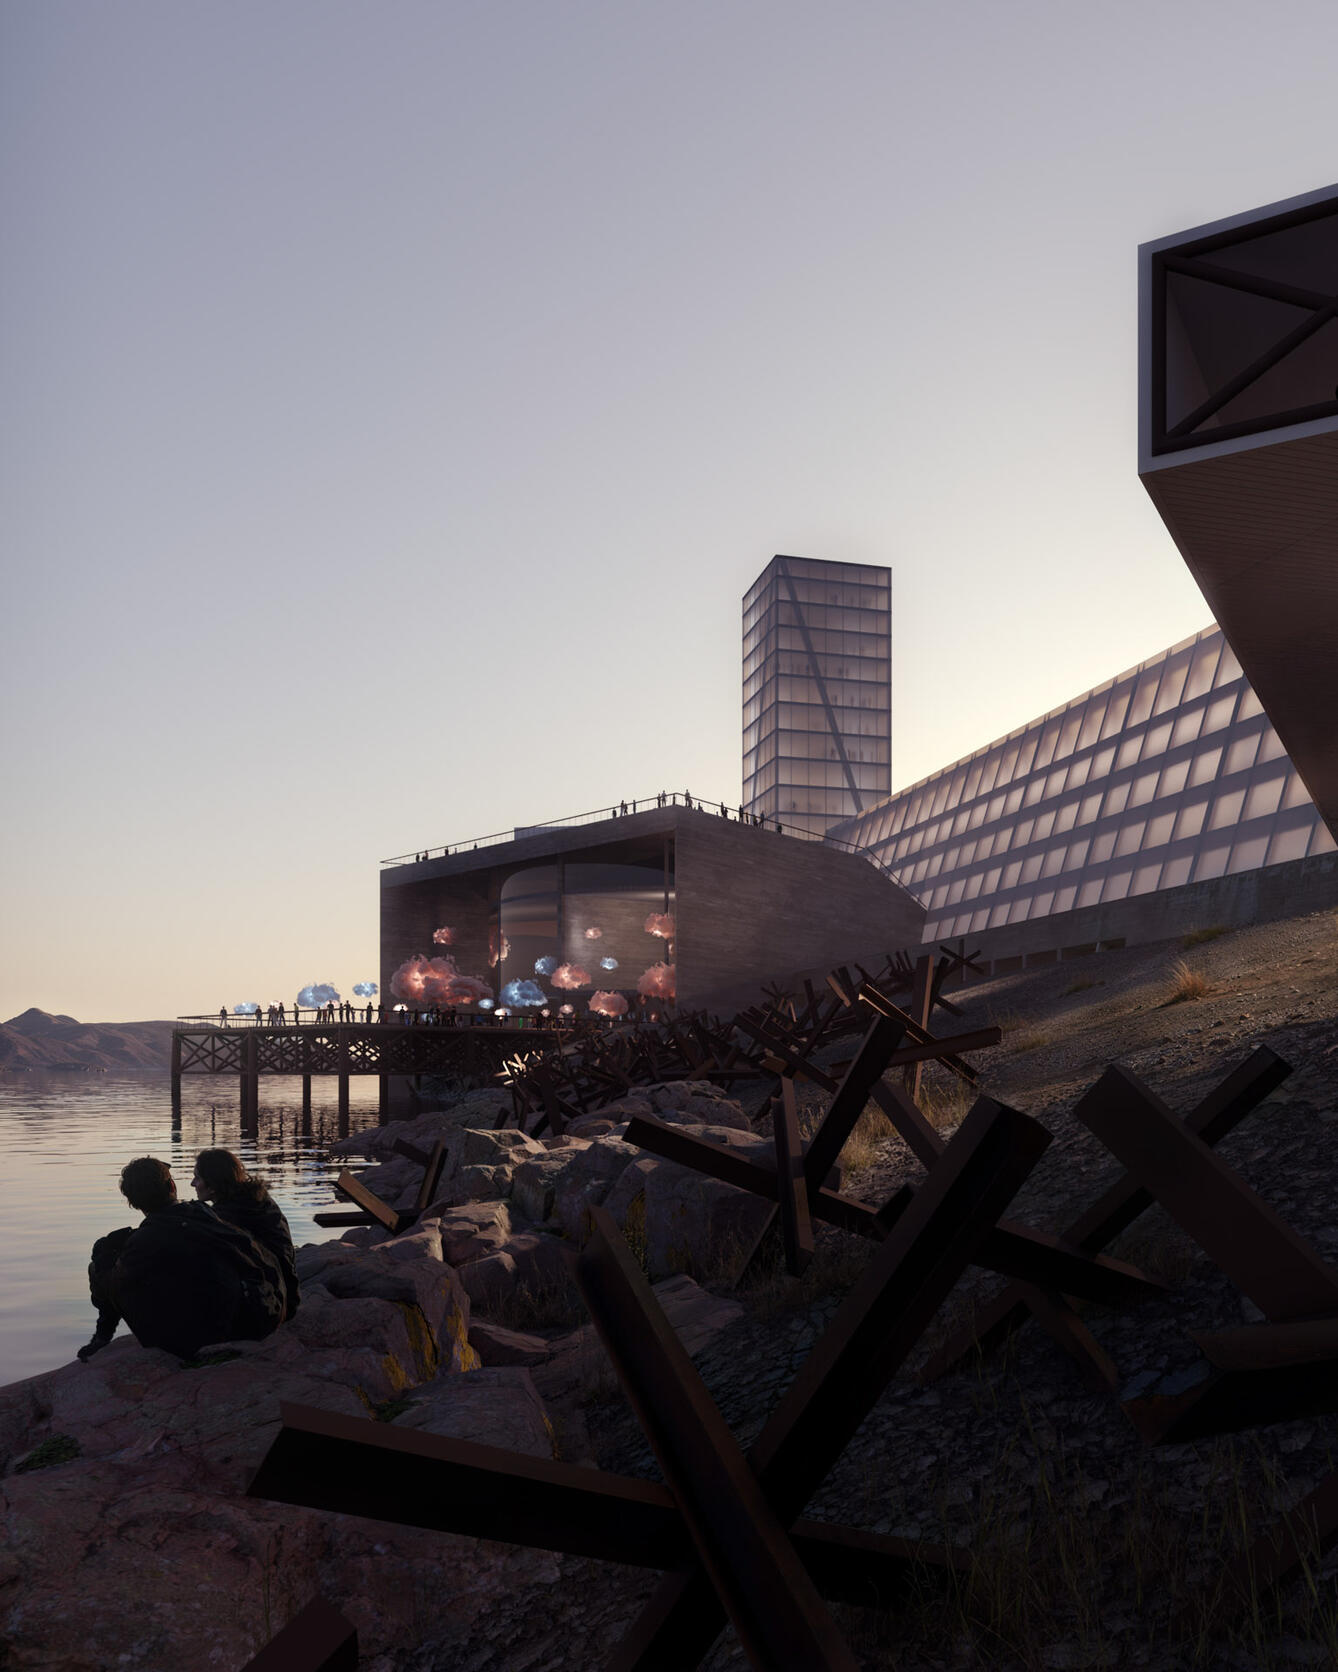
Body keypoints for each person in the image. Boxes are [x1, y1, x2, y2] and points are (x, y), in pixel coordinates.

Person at [78, 1158, 285, 1362]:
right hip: (258, 1320)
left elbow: (114, 1283)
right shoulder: (206, 1214)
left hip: (198, 1340)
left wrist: (103, 1260)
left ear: (132, 1202)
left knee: (100, 1267)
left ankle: (102, 1337)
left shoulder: (144, 1242)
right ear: (172, 1185)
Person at [191, 1149, 299, 1321]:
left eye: (197, 1178)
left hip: (269, 1307)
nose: (192, 1183)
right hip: (286, 1298)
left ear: (212, 1184)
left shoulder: (225, 1219)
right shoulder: (259, 1201)